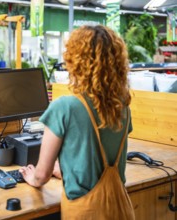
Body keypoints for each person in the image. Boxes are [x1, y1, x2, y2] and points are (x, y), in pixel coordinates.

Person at [19, 25, 135, 219]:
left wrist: (33, 177)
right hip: (119, 209)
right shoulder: (121, 107)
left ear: (75, 61)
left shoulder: (65, 107)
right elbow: (100, 164)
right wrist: (66, 172)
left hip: (85, 213)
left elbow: (42, 175)